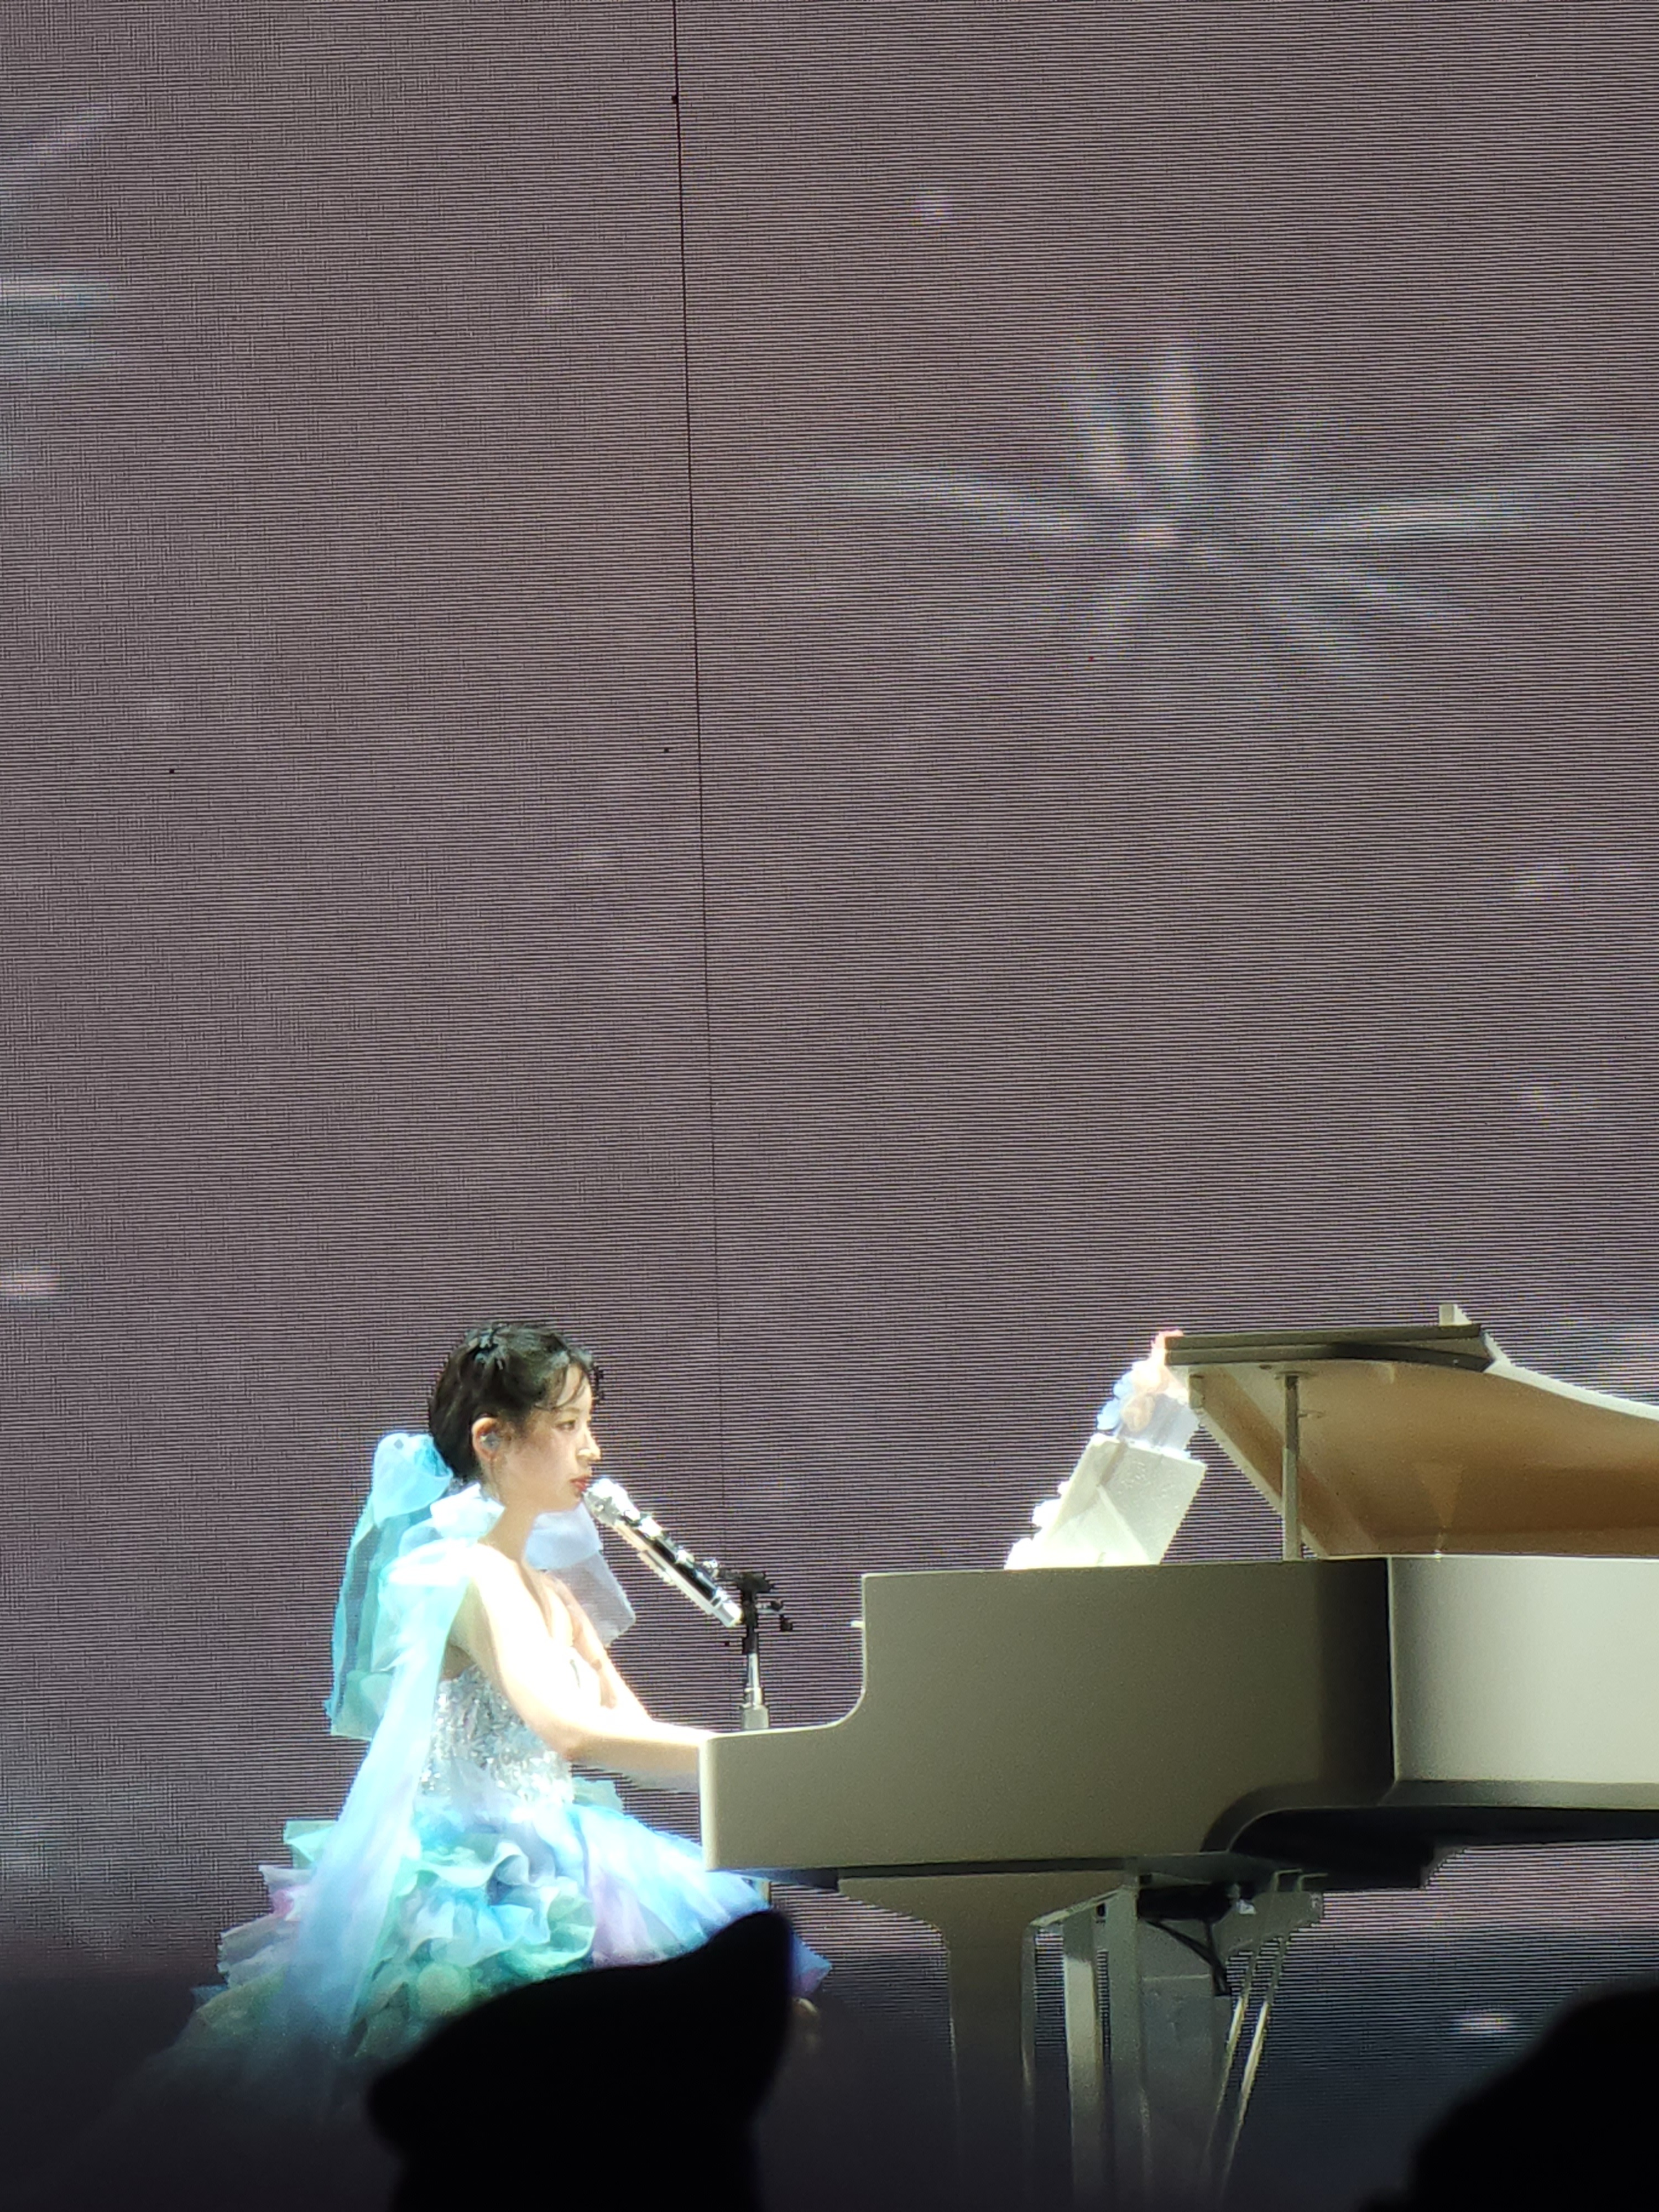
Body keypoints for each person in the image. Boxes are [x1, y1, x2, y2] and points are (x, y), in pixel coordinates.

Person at [8, 1322, 820, 2210]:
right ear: (492, 1440)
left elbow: (630, 1733)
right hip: (470, 1884)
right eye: (568, 1425)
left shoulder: (547, 1588)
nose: (592, 1449)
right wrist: (761, 1761)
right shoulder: (469, 1575)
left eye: (591, 1424)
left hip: (565, 1860)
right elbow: (569, 1732)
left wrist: (772, 1769)